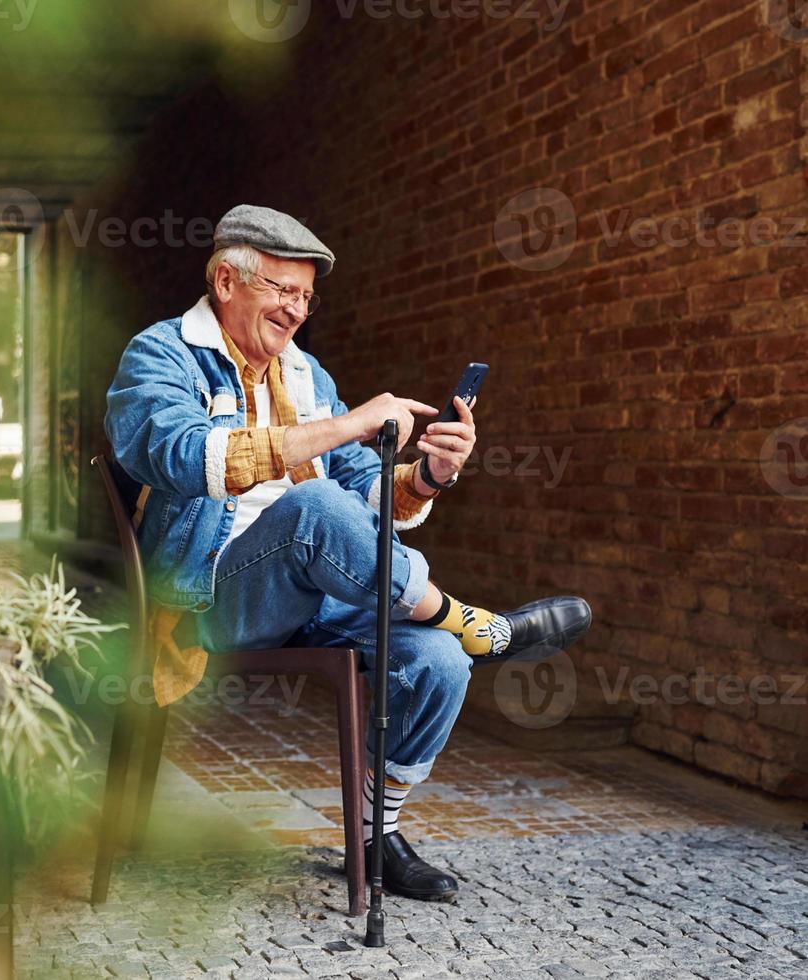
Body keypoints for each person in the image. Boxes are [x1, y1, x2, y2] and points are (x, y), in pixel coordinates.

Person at [104, 204, 591, 902]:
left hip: (313, 593)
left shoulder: (305, 375)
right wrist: (343, 426)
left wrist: (428, 475)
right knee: (314, 508)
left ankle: (376, 834)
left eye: (306, 297)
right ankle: (475, 622)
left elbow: (366, 495)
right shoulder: (161, 354)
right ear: (225, 280)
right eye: (282, 289)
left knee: (436, 659)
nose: (297, 310)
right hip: (209, 598)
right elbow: (178, 453)